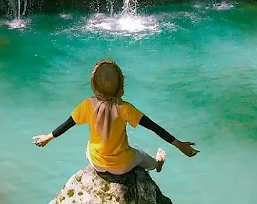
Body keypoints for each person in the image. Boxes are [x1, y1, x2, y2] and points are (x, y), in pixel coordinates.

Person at [32, 59, 199, 175]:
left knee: (90, 144)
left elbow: (67, 124)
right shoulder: (125, 108)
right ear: (120, 85)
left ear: (95, 85)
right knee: (141, 155)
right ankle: (158, 163)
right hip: (122, 165)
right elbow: (154, 127)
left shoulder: (87, 105)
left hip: (96, 163)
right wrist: (179, 145)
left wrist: (47, 137)